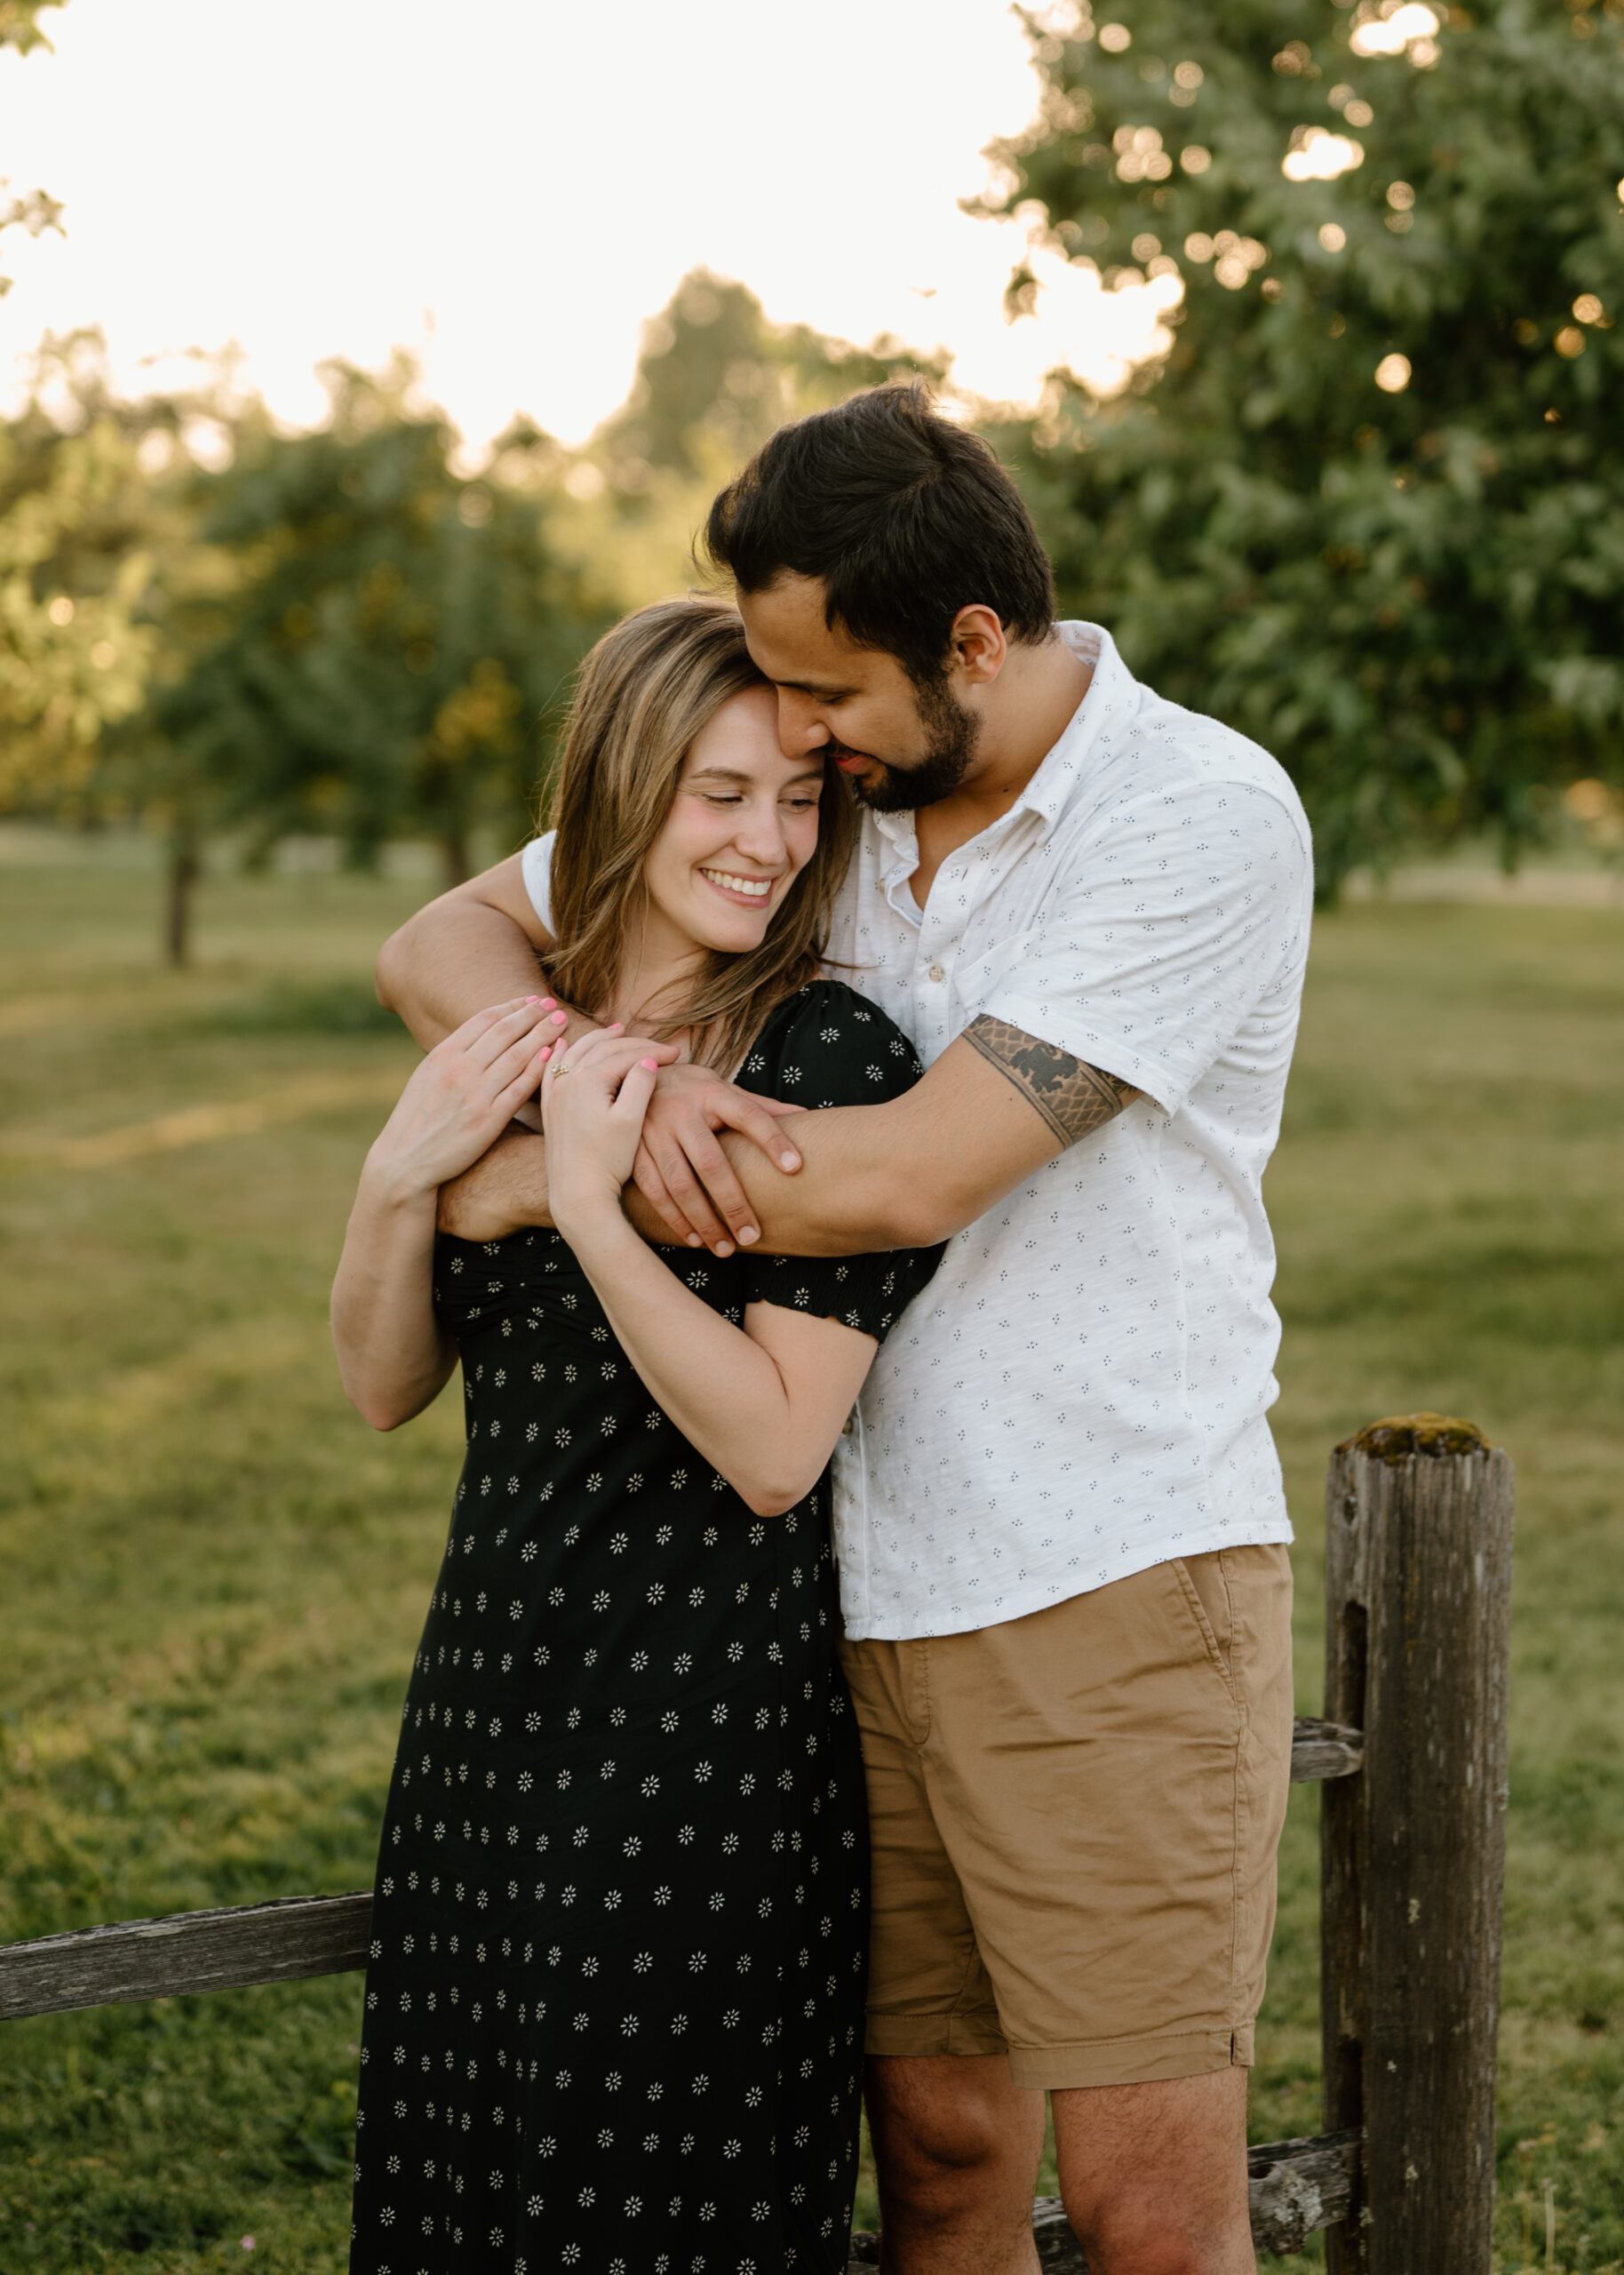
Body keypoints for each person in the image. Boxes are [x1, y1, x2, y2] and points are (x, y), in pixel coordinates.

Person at [377, 383, 1314, 2275]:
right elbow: (440, 941)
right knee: (944, 2158)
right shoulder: (824, 815)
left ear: (969, 643)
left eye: (827, 694)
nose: (791, 734)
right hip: (837, 1588)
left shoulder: (1194, 813)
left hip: (1100, 1577)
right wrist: (585, 1072)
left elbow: (894, 1179)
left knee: (1144, 2207)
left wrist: (522, 1175)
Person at [332, 595, 943, 2275]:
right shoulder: (523, 1034)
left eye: (797, 798)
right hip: (488, 1703)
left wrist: (592, 1215)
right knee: (469, 2176)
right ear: (617, 790)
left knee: (659, 2202)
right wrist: (408, 1177)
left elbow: (773, 1450)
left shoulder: (831, 1056)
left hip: (704, 1741)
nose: (765, 841)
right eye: (718, 793)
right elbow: (384, 1384)